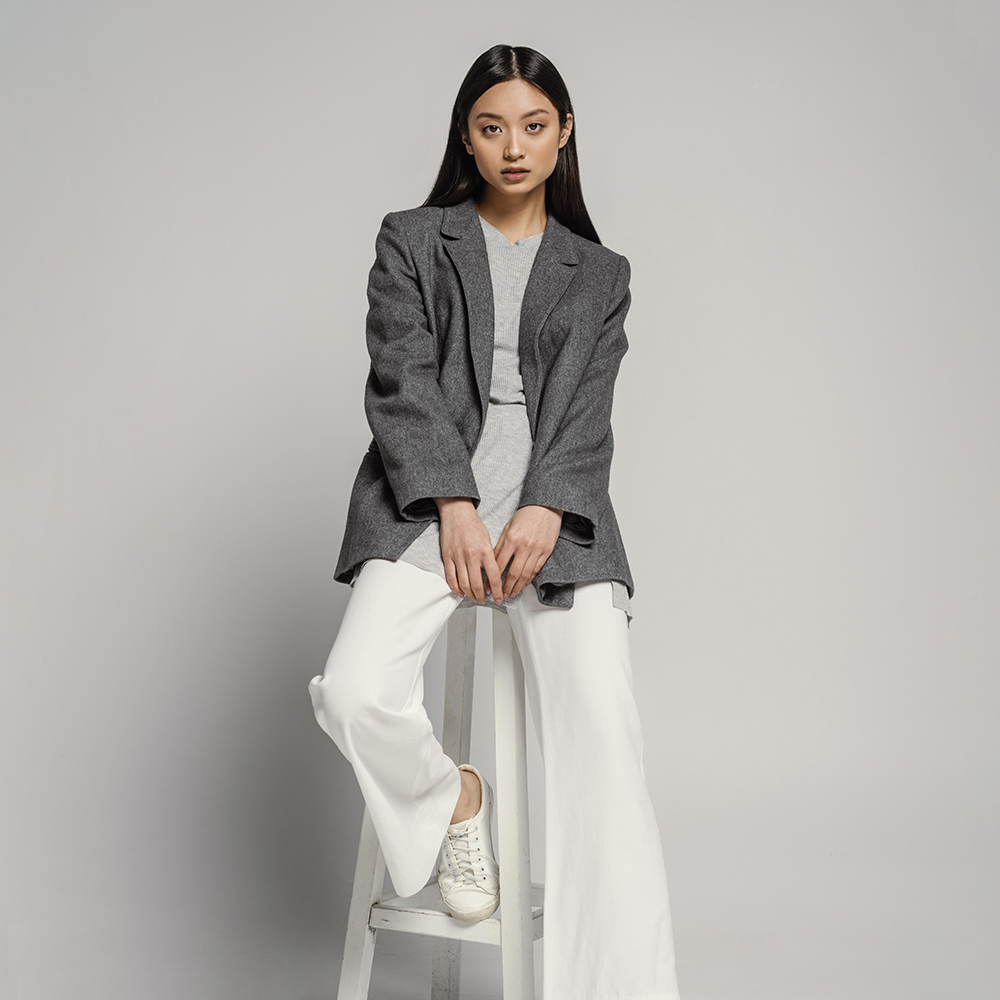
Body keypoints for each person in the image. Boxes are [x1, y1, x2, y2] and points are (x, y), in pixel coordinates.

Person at [308, 43, 682, 1000]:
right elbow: (400, 381)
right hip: (427, 508)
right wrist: (456, 505)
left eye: (533, 125)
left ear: (563, 134)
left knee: (606, 750)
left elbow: (587, 411)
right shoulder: (411, 239)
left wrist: (548, 507)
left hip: (560, 521)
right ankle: (454, 800)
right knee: (352, 692)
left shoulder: (600, 272)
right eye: (491, 127)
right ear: (466, 138)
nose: (513, 147)